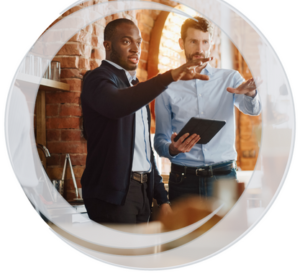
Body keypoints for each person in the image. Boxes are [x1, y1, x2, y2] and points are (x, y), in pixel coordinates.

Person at [80, 18, 211, 224]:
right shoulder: (97, 79)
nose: (135, 49)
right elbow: (117, 105)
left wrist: (162, 197)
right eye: (126, 42)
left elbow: (144, 151)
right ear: (107, 45)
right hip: (112, 197)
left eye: (138, 43)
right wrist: (169, 77)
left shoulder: (134, 86)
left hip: (142, 193)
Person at [154, 16, 262, 202]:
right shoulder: (167, 86)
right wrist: (172, 148)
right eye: (193, 42)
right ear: (182, 43)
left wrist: (251, 94)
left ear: (210, 43)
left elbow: (253, 110)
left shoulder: (230, 79)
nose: (200, 49)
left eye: (205, 42)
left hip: (223, 178)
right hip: (183, 180)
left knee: (226, 232)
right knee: (186, 232)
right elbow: (160, 141)